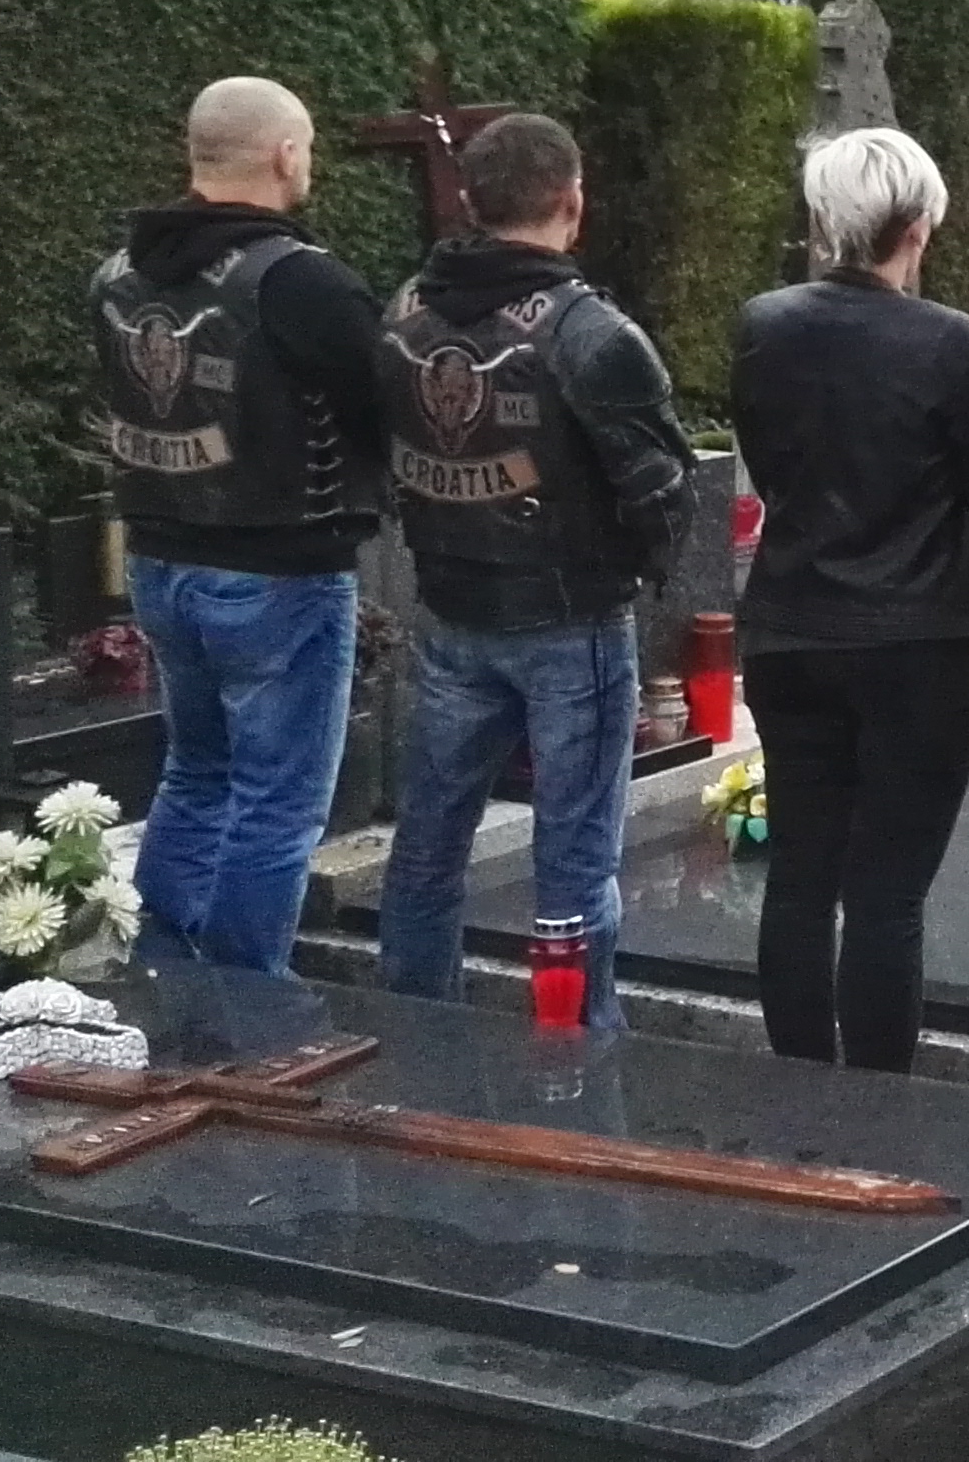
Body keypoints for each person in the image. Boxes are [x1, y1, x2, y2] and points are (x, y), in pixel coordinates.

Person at [372, 114, 695, 1033]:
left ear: (471, 204)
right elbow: (664, 491)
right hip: (571, 620)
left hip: (449, 610)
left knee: (428, 847)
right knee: (575, 862)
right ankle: (578, 1057)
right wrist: (638, 571)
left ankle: (418, 1036)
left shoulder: (402, 314)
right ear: (573, 203)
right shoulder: (592, 333)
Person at [728, 128, 969, 1074]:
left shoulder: (764, 326)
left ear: (826, 223)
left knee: (800, 876)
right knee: (889, 893)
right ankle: (880, 1102)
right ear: (919, 227)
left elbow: (771, 463)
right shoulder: (953, 345)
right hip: (925, 635)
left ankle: (801, 1080)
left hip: (794, 621)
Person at [98, 76, 389, 975]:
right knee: (278, 805)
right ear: (285, 155)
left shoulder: (116, 275)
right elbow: (387, 406)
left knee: (196, 775)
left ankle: (164, 972)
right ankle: (244, 1004)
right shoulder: (299, 280)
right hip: (280, 567)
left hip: (159, 560)